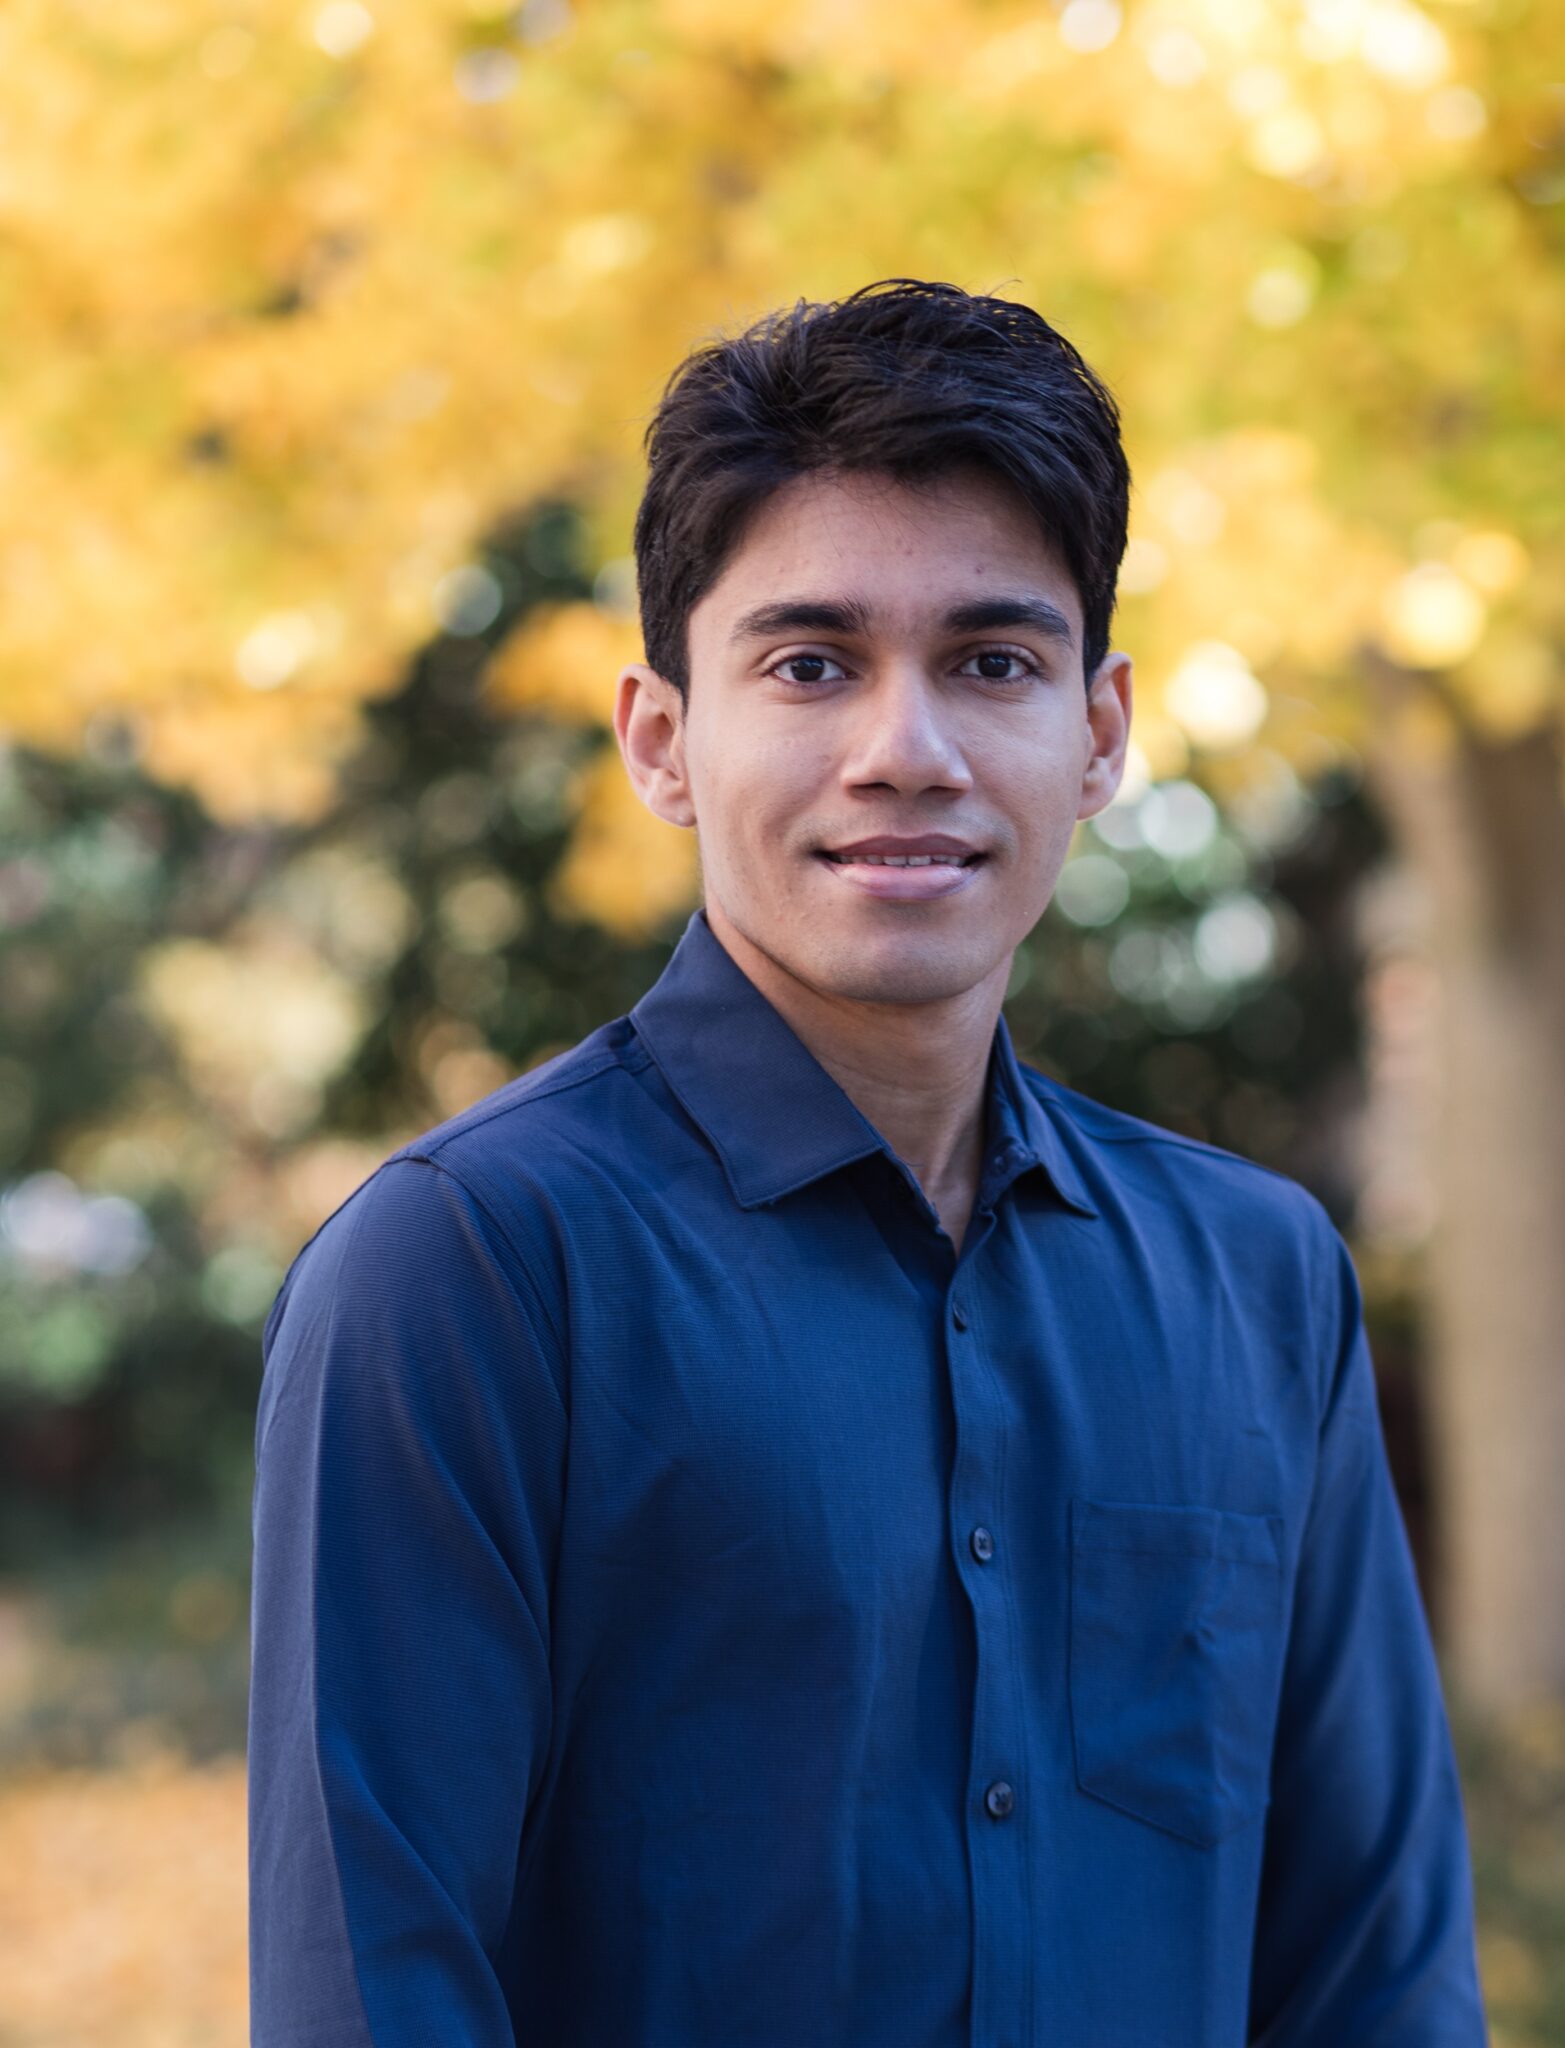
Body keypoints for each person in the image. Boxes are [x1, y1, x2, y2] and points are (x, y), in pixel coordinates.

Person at [247, 278, 1489, 2047]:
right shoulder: (467, 1274)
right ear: (662, 738)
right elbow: (372, 1991)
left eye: (991, 662)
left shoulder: (1257, 1277)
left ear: (1099, 732)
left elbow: (1375, 1976)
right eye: (809, 662)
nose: (902, 752)